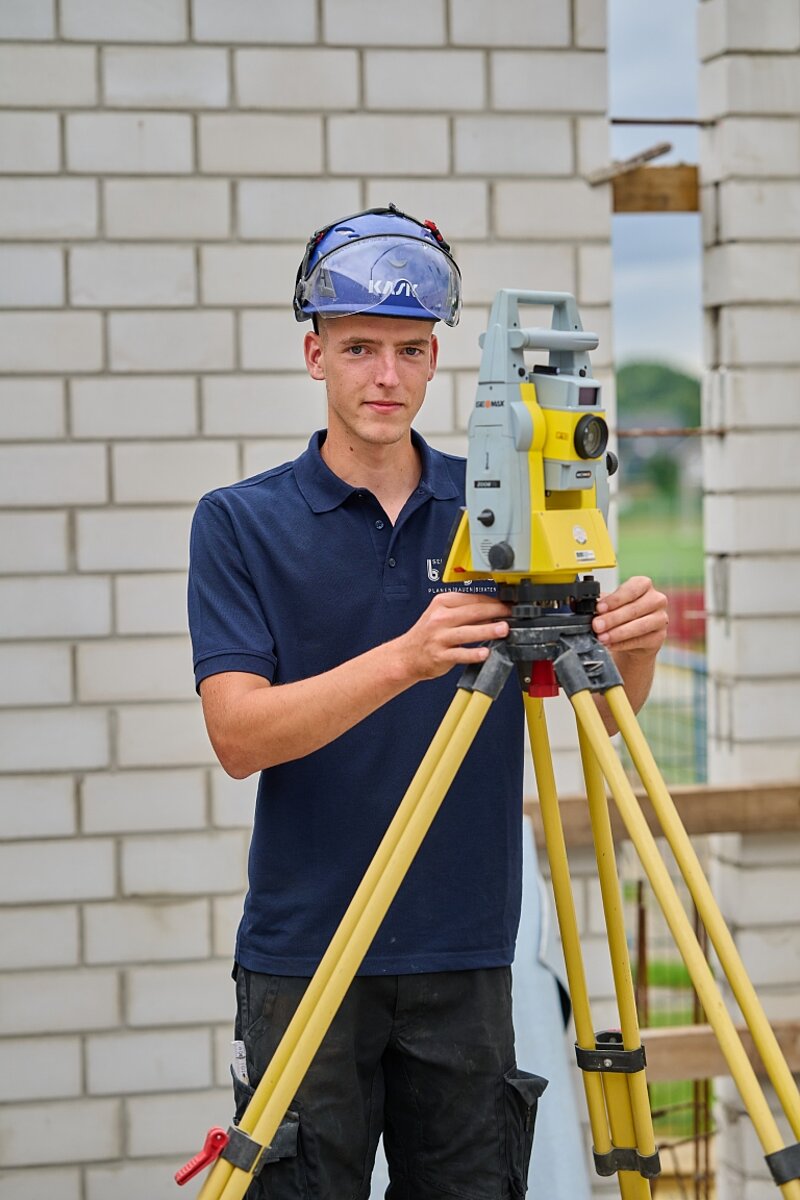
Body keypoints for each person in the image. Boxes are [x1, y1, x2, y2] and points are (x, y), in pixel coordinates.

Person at [187, 204, 668, 1200]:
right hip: (307, 949)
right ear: (313, 353)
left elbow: (591, 712)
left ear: (438, 360)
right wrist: (404, 658)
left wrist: (632, 648)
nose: (384, 375)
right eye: (359, 347)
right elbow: (239, 736)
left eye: (409, 349)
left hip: (465, 948)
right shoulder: (240, 523)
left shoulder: (498, 507)